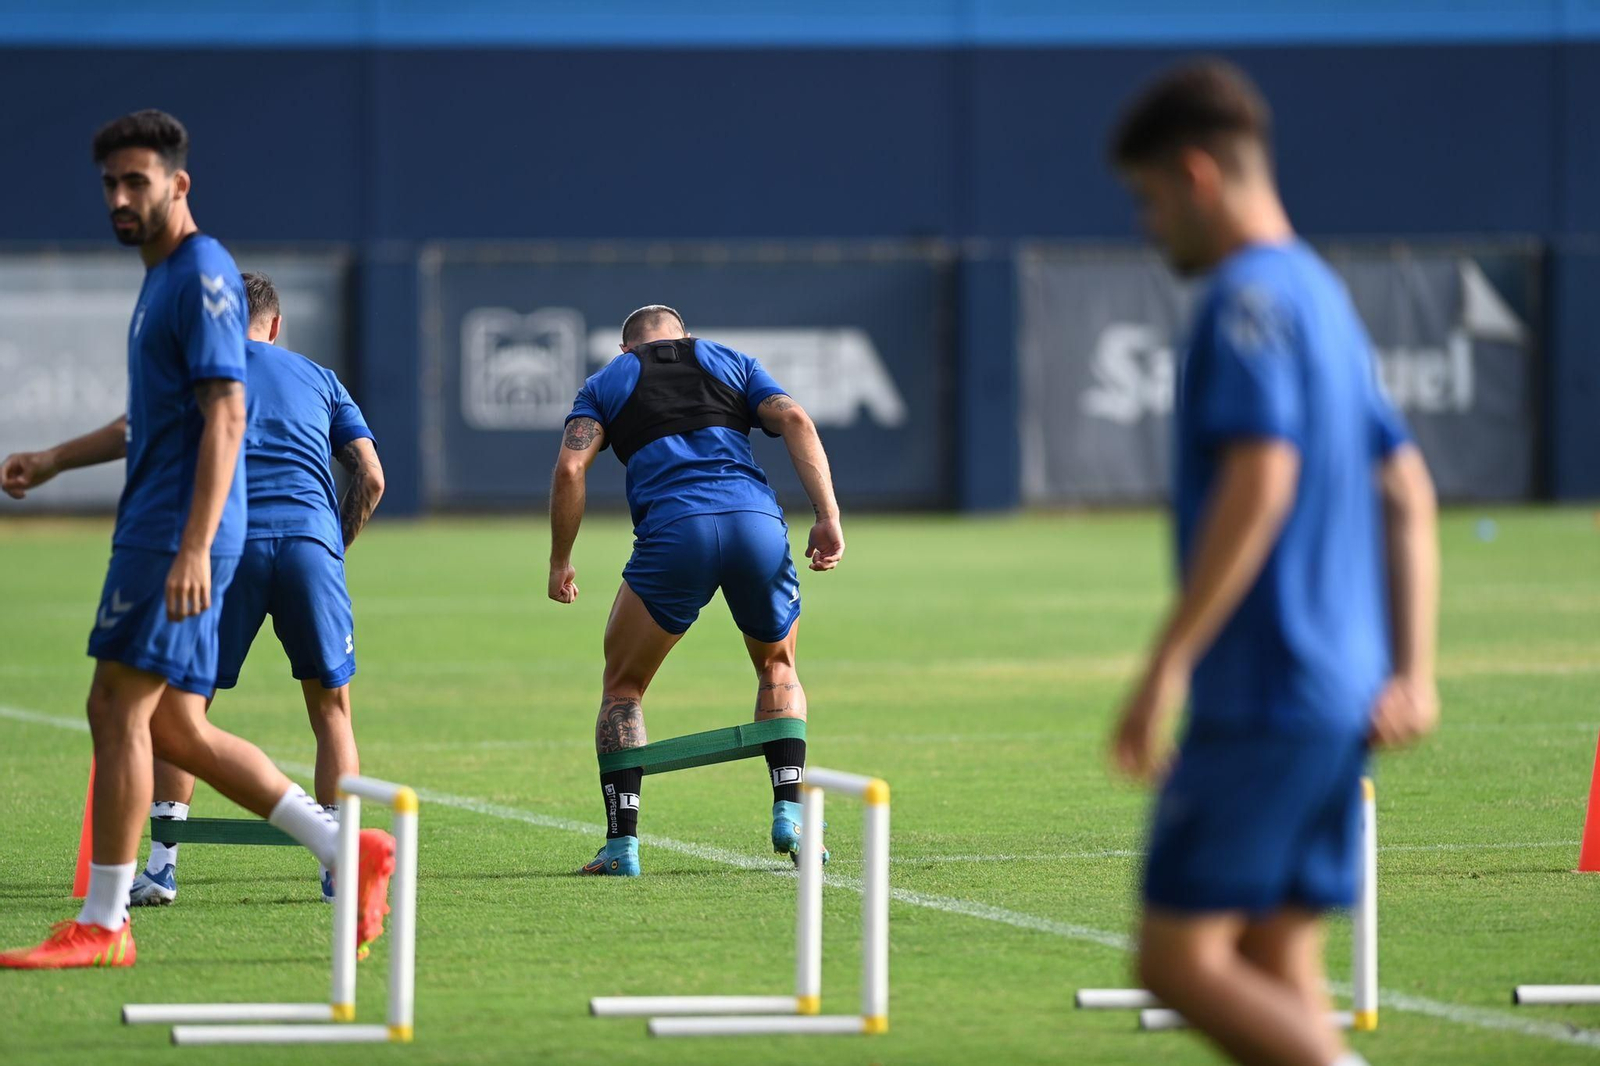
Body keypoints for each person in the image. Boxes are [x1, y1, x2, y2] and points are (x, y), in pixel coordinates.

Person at [0, 110, 392, 969]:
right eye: (109, 183)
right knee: (175, 726)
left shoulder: (201, 274)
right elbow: (156, 418)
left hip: (176, 536)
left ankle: (106, 924)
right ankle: (342, 847)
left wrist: (192, 545)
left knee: (116, 710)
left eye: (136, 181)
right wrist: (55, 460)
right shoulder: (164, 281)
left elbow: (225, 413)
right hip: (173, 530)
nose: (119, 197)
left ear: (179, 185)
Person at [1105, 61, 1440, 1066]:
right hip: (1339, 694)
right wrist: (1412, 670)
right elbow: (1407, 490)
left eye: (1149, 199)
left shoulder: (1244, 300)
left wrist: (1166, 661)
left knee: (1174, 960)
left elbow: (1262, 481)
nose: (1148, 225)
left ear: (1197, 176)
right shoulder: (1322, 296)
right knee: (1272, 954)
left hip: (1264, 691)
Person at [548, 305, 844, 876]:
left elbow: (569, 470)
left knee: (624, 687)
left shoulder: (606, 381)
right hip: (754, 524)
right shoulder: (729, 360)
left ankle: (622, 846)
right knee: (778, 667)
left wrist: (562, 559)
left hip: (674, 534)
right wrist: (827, 515)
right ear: (685, 335)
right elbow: (798, 421)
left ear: (624, 348)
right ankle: (789, 811)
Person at [129, 270, 386, 907]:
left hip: (226, 550)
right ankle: (337, 868)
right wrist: (330, 548)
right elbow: (372, 477)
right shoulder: (321, 378)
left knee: (186, 709)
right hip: (310, 548)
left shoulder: (201, 375)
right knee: (331, 711)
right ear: (275, 325)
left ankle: (162, 867)